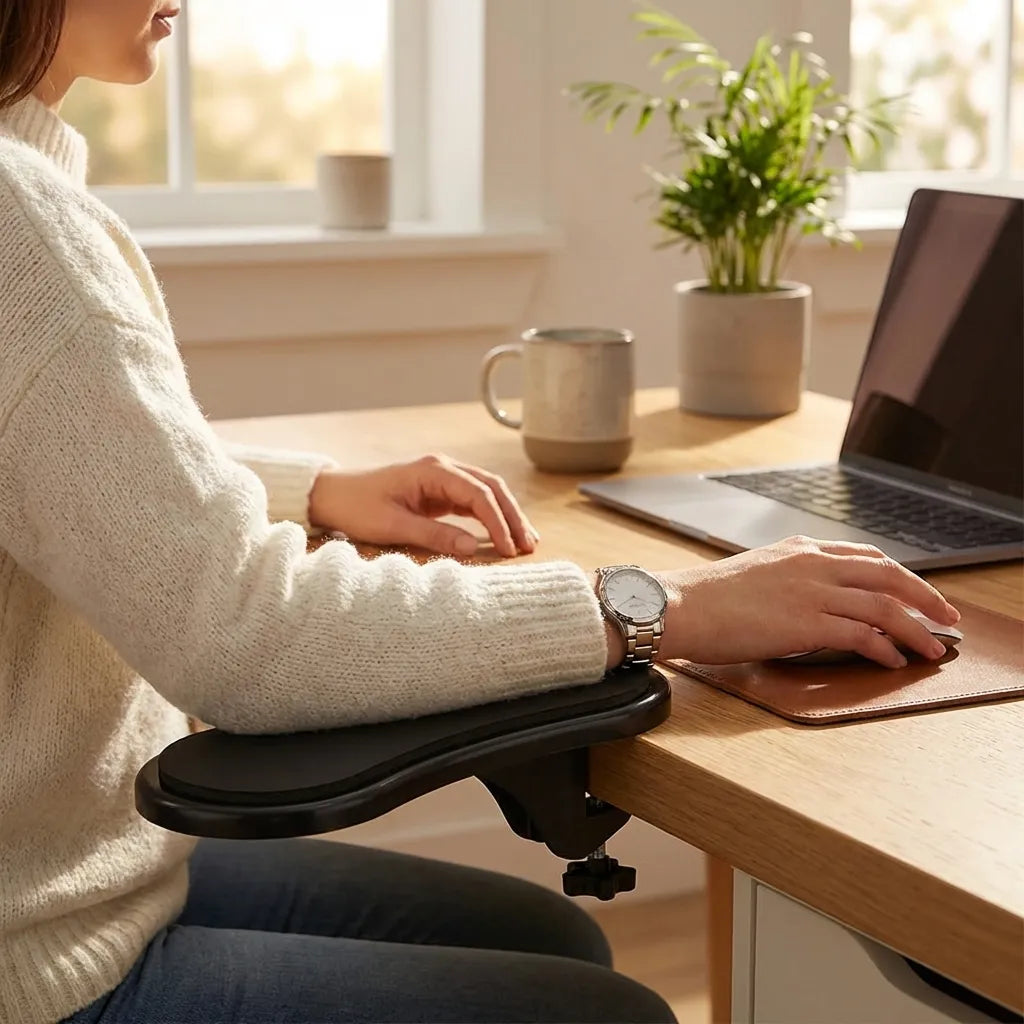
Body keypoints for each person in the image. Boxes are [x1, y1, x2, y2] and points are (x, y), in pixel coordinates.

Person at [0, 1, 961, 1022]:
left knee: (559, 938)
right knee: (609, 1014)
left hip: (73, 869)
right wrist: (658, 607)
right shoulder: (24, 226)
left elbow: (61, 458)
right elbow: (246, 633)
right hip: (40, 955)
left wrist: (307, 491)